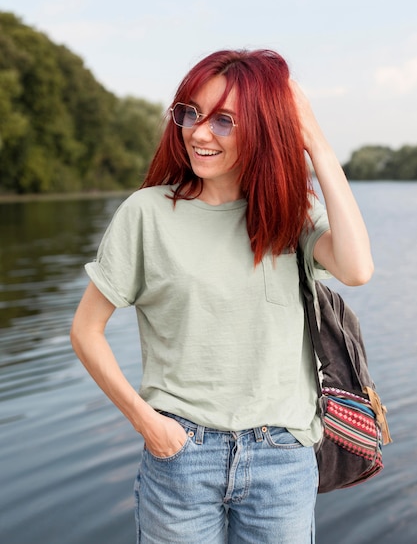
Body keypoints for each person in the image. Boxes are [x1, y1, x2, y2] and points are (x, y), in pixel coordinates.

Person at [71, 49, 373, 544]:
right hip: (181, 455)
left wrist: (313, 139)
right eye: (190, 113)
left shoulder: (288, 215)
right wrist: (147, 423)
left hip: (282, 457)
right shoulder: (146, 214)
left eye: (225, 121)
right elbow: (85, 331)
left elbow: (358, 268)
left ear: (263, 127)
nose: (198, 132)